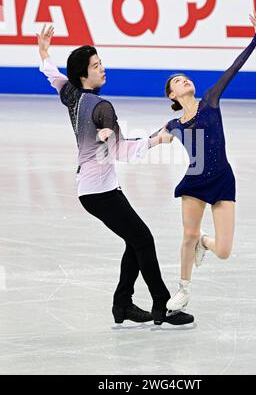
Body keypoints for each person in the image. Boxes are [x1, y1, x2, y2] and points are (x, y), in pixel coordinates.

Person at [37, 24, 194, 326]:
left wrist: (44, 53)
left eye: (100, 62)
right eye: (96, 66)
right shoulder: (101, 107)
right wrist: (155, 139)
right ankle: (162, 306)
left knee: (134, 241)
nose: (102, 69)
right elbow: (119, 151)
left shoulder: (73, 95)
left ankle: (122, 304)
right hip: (100, 192)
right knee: (143, 239)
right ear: (84, 75)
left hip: (96, 188)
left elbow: (56, 78)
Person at [163, 10, 256, 311]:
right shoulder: (174, 124)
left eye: (185, 78)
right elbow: (149, 142)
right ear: (172, 94)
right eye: (178, 81)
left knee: (223, 250)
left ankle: (202, 242)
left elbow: (233, 68)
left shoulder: (210, 100)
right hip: (195, 180)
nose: (185, 81)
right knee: (187, 234)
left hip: (222, 179)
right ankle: (184, 288)